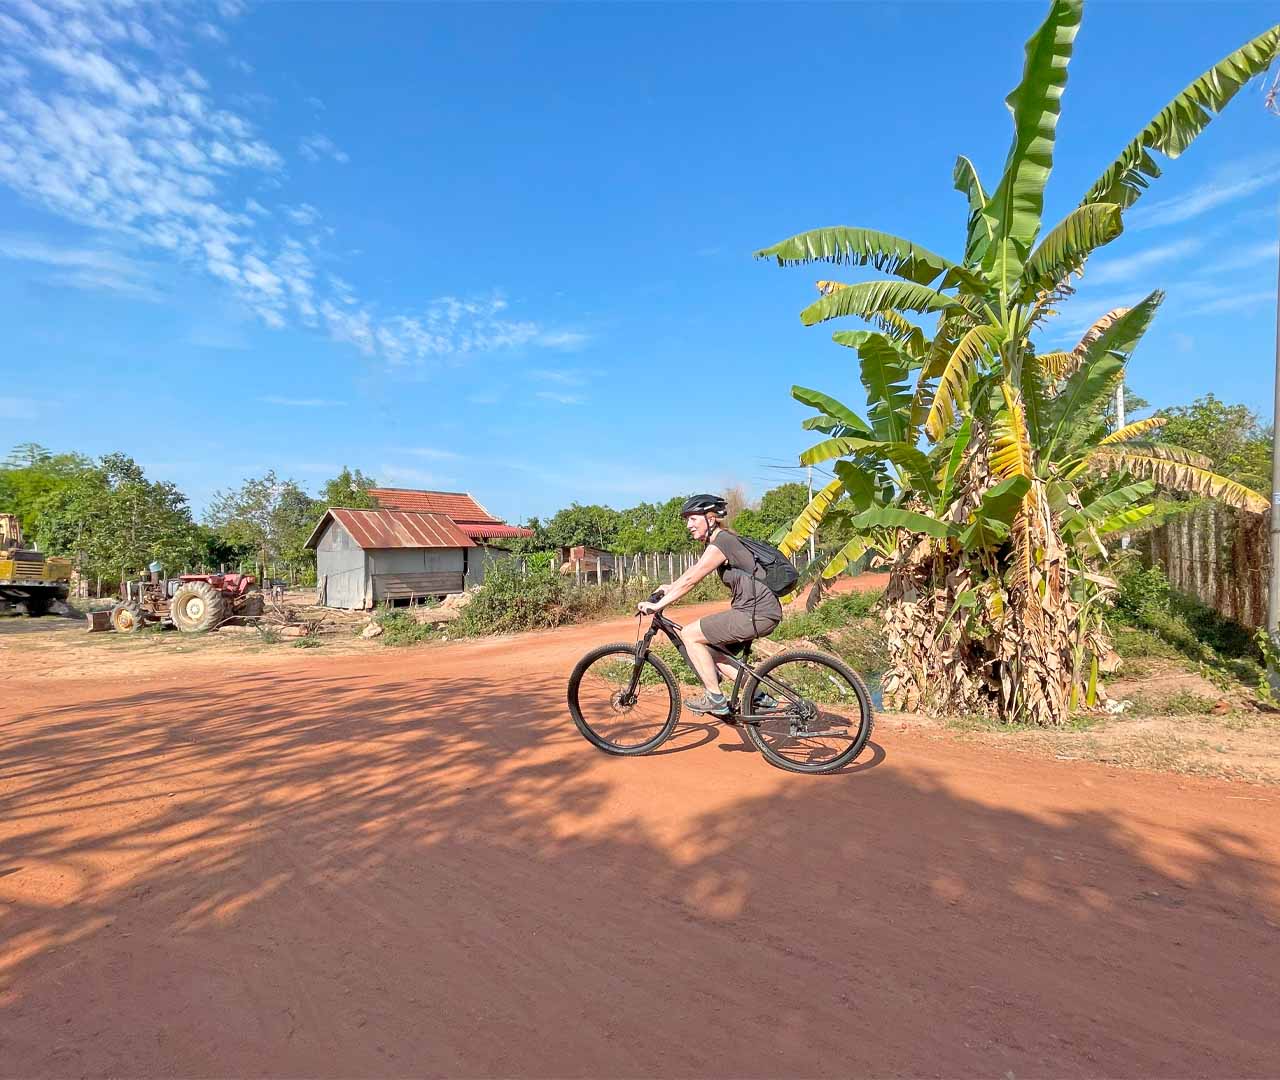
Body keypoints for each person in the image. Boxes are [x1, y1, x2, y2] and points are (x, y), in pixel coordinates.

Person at [636, 494, 783, 717]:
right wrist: (669, 586)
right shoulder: (721, 541)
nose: (688, 525)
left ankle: (715, 698)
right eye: (687, 520)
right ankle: (759, 697)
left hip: (756, 613)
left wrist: (658, 606)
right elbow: (693, 571)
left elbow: (692, 580)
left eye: (693, 519)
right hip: (757, 612)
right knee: (715, 652)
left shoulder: (722, 542)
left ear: (711, 519)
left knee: (690, 635)